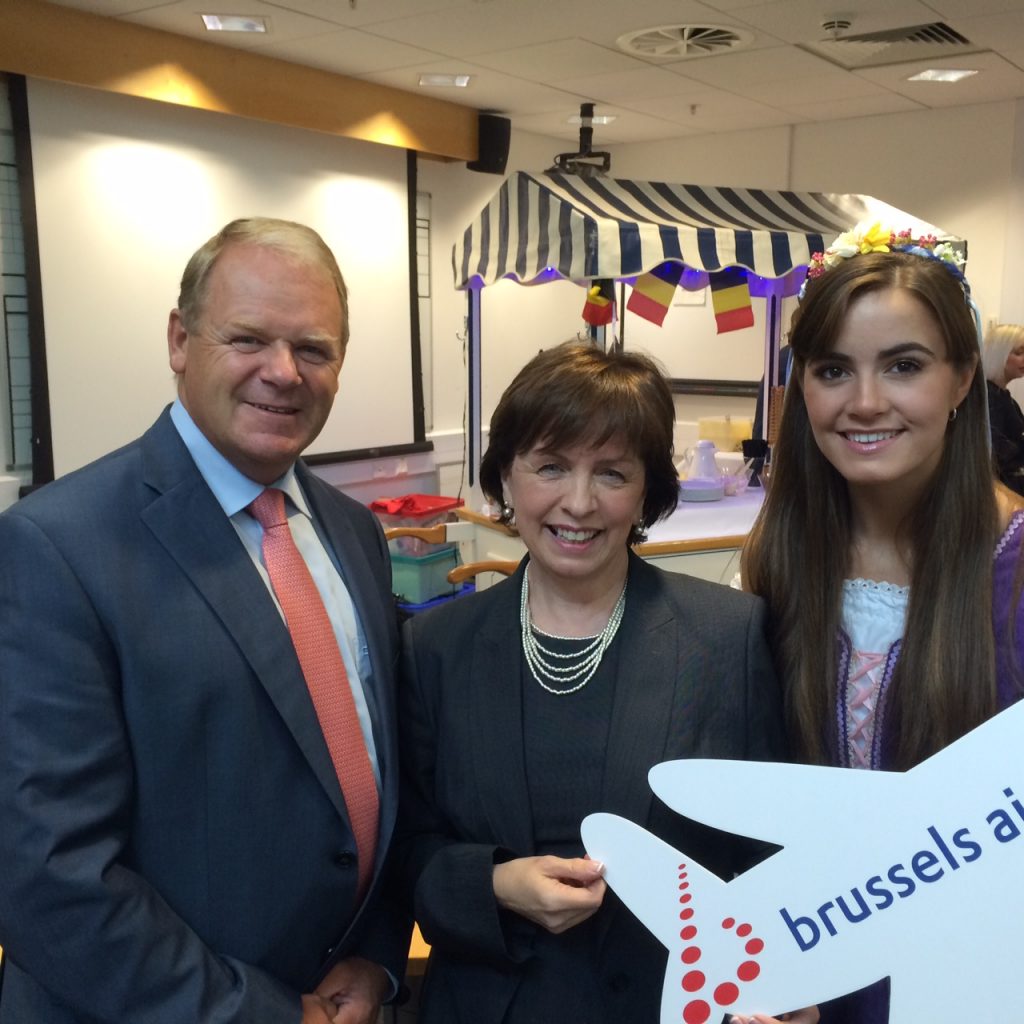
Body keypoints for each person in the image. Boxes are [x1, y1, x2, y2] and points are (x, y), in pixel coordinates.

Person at [0, 218, 406, 1023]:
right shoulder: (56, 547)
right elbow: (48, 874)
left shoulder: (353, 533)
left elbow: (374, 779)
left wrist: (379, 961)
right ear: (180, 340)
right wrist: (262, 1014)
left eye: (314, 349)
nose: (283, 373)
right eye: (248, 338)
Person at [396, 341, 813, 1024]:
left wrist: (782, 980)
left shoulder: (726, 635)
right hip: (488, 1004)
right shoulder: (435, 647)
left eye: (613, 473)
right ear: (505, 476)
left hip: (671, 1005)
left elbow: (767, 844)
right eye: (551, 466)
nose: (580, 503)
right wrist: (493, 883)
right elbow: (405, 853)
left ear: (648, 489)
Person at [741, 227, 1024, 1022]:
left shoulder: (1015, 569)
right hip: (809, 975)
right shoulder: (776, 563)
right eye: (833, 370)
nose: (864, 402)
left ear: (963, 377)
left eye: (903, 365)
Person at [982, 321, 1024, 494]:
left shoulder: (1005, 398)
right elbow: (995, 453)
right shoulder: (990, 399)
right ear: (1000, 354)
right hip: (1002, 489)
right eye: (1019, 352)